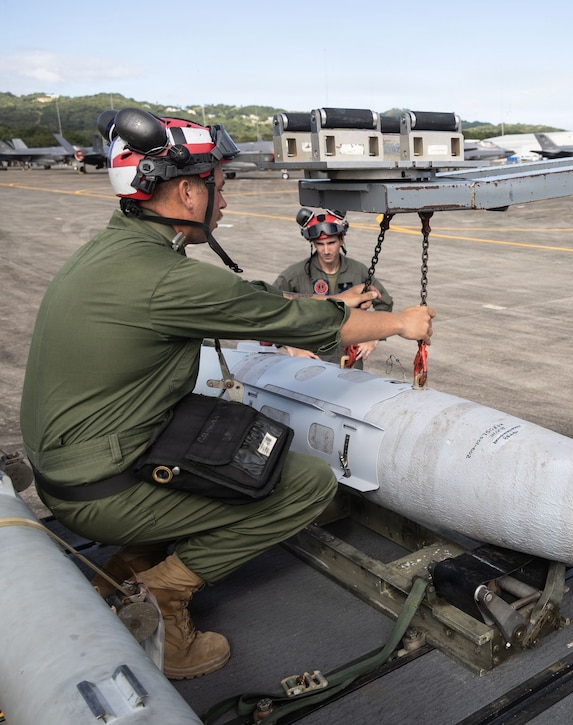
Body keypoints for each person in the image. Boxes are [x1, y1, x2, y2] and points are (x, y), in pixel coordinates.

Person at [19, 108, 435, 680]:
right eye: (221, 183)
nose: (225, 199)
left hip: (76, 469)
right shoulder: (169, 278)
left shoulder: (115, 254)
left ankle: (130, 563)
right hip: (102, 489)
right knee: (307, 482)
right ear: (189, 192)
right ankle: (163, 596)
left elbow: (243, 300)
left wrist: (334, 302)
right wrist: (398, 325)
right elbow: (311, 329)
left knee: (220, 424)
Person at [274, 208, 393, 367]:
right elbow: (269, 308)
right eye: (320, 244)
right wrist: (292, 347)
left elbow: (385, 304)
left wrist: (374, 338)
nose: (326, 251)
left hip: (350, 361)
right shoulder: (294, 275)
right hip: (311, 361)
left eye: (331, 243)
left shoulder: (359, 271)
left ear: (342, 239)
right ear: (312, 243)